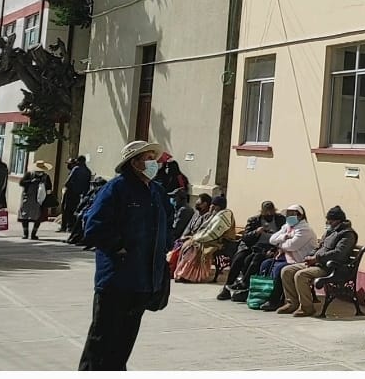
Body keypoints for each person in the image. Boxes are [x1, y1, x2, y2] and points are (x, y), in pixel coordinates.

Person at [78, 140, 172, 371]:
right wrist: (119, 247)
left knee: (123, 344)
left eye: (154, 158)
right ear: (134, 162)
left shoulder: (157, 192)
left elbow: (168, 226)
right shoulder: (116, 189)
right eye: (148, 158)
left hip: (143, 282)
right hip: (116, 280)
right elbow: (93, 227)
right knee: (101, 343)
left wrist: (163, 253)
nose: (153, 163)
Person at [277, 205, 357, 318]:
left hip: (331, 267)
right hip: (318, 263)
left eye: (330, 220)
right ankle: (292, 303)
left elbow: (339, 253)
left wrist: (317, 258)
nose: (327, 222)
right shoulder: (330, 232)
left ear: (338, 221)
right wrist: (310, 256)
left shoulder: (347, 234)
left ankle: (307, 307)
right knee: (286, 270)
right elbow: (319, 247)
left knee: (301, 275)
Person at [217, 201, 287, 299]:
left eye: (271, 211)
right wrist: (256, 232)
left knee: (253, 260)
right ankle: (227, 287)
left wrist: (274, 248)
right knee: (239, 259)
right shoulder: (254, 220)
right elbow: (245, 237)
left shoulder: (280, 220)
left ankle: (245, 286)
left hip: (270, 247)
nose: (269, 214)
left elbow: (283, 236)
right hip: (253, 246)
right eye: (266, 212)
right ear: (262, 211)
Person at [258, 204, 319, 312]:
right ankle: (264, 294)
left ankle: (275, 300)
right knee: (265, 264)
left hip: (299, 259)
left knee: (280, 269)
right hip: (285, 256)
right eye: (288, 214)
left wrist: (280, 244)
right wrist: (284, 237)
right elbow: (272, 239)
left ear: (300, 216)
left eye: (292, 214)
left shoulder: (305, 229)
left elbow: (291, 246)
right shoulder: (287, 227)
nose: (289, 217)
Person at [174, 195, 236, 284]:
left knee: (194, 248)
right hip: (211, 240)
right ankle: (182, 273)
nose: (210, 207)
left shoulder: (223, 216)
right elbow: (205, 228)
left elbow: (212, 233)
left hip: (220, 242)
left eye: (212, 205)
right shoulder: (215, 214)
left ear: (217, 206)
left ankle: (191, 275)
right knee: (187, 245)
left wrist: (196, 239)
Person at [18, 161, 54, 240]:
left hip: (39, 200)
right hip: (28, 198)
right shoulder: (29, 174)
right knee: (25, 216)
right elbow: (21, 183)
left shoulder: (45, 177)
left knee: (38, 217)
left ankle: (33, 234)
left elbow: (49, 188)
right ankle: (25, 234)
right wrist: (31, 182)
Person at [62, 155, 92, 232]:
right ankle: (72, 226)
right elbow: (88, 184)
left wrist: (66, 186)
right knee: (76, 209)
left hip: (71, 191)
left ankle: (67, 226)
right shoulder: (88, 171)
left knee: (67, 208)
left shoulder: (76, 169)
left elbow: (68, 180)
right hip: (81, 193)